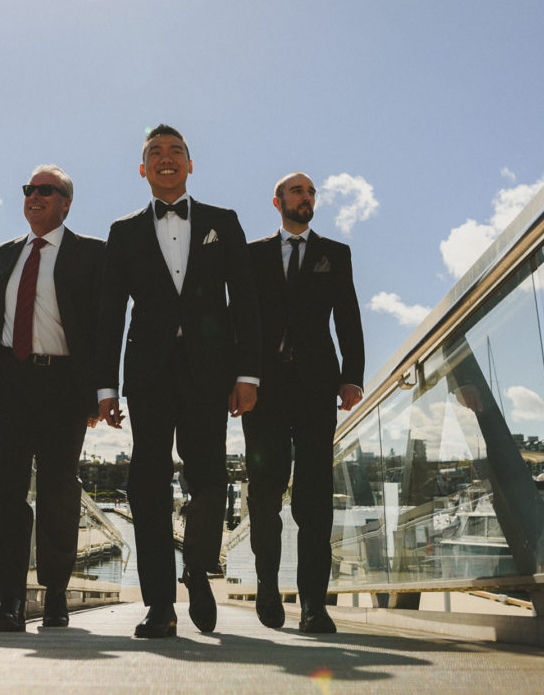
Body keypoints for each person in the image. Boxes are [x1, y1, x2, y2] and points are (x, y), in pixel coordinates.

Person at [96, 124, 260, 638]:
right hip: (147, 373)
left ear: (191, 165)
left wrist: (248, 372)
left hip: (212, 372)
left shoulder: (223, 222)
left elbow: (246, 303)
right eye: (155, 154)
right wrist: (106, 388)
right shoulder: (123, 232)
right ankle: (160, 606)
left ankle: (196, 563)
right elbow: (109, 313)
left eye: (176, 152)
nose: (166, 159)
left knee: (210, 477)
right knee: (145, 483)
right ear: (143, 169)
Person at [0, 165, 104, 632]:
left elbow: (103, 329)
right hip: (11, 384)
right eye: (29, 189)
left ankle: (55, 595)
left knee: (57, 491)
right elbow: (2, 311)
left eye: (46, 190)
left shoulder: (91, 254)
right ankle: (8, 600)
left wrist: (99, 393)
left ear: (66, 202)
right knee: (6, 492)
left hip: (63, 385)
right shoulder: (6, 252)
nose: (34, 196)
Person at [242, 172, 364, 633]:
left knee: (313, 501)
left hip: (316, 390)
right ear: (278, 201)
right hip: (263, 391)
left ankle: (314, 603)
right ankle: (268, 588)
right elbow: (240, 321)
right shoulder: (252, 255)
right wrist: (240, 378)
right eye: (298, 191)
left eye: (312, 192)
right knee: (264, 495)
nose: (306, 197)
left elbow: (348, 316)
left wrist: (352, 375)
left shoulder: (336, 254)